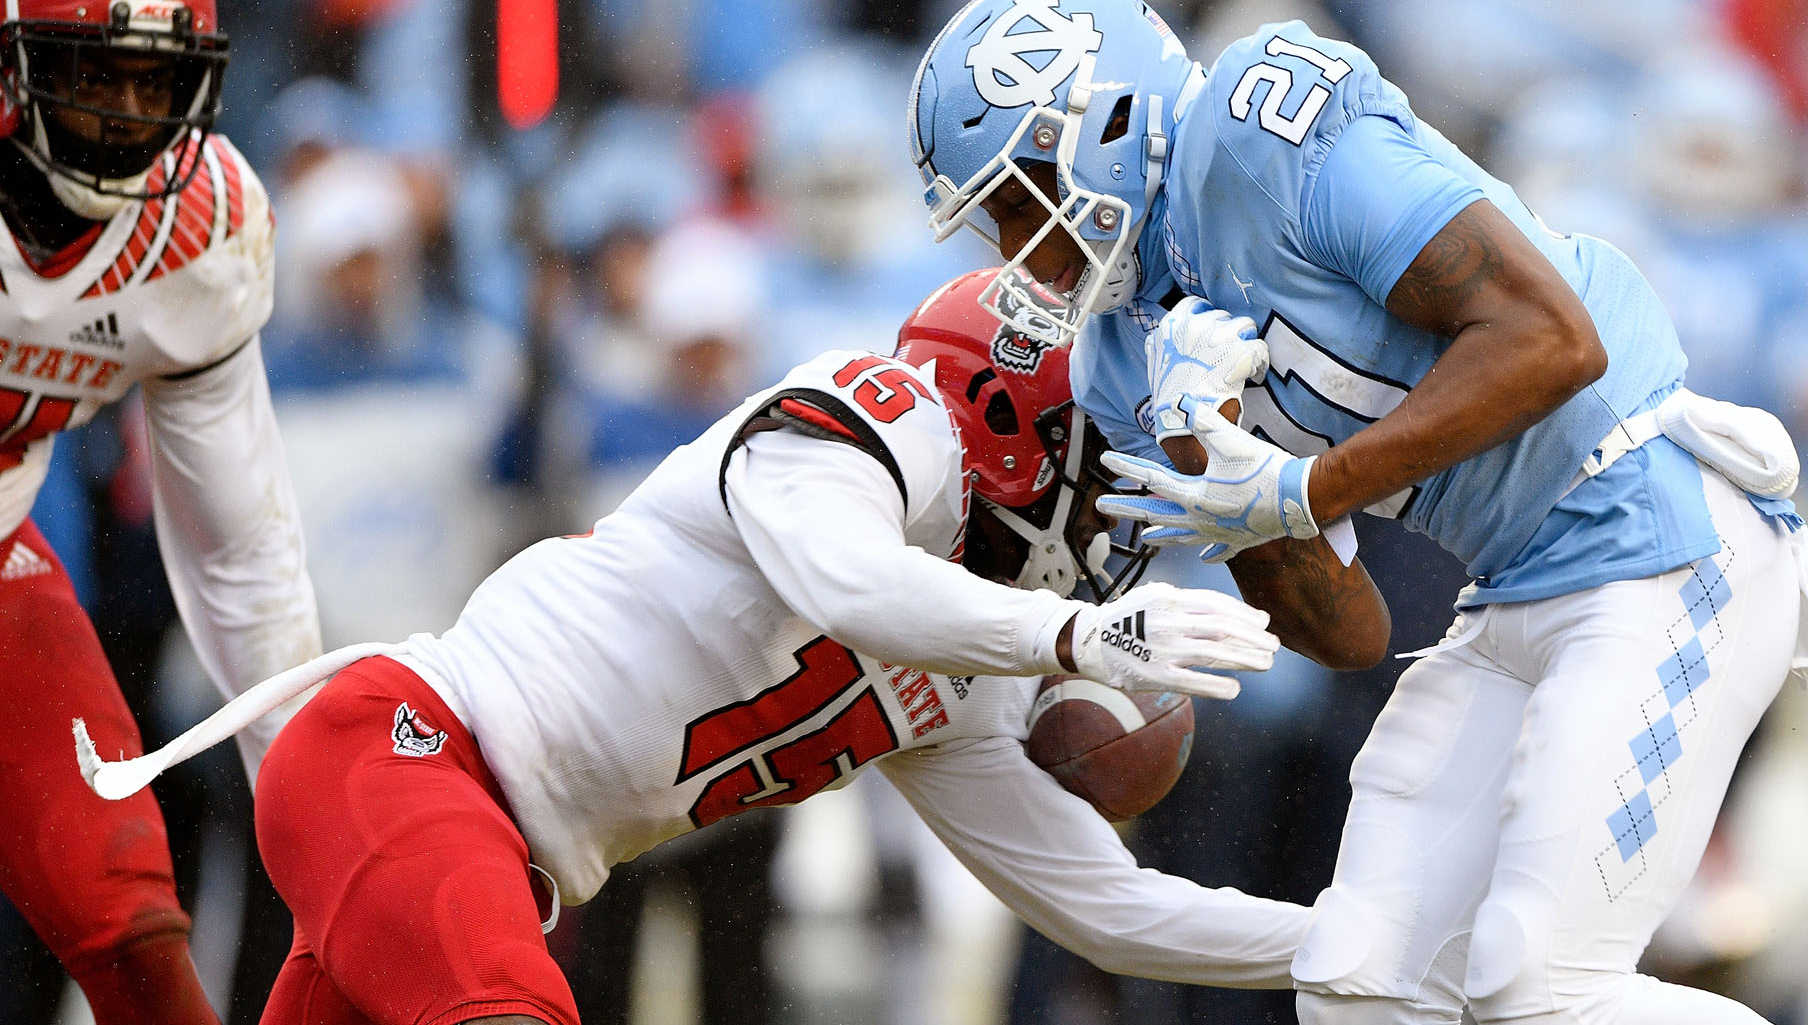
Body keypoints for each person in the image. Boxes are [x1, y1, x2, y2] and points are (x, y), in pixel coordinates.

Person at [908, 0, 1808, 1025]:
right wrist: (1206, 447)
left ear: (1100, 124)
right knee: (1360, 977)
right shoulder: (1118, 358)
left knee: (1538, 982)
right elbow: (1348, 631)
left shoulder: (1258, 124)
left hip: (1655, 526)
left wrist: (1303, 485)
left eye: (1017, 201)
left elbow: (1553, 340)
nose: (1015, 252)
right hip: (1506, 587)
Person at [76, 269, 1389, 1025]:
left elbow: (1105, 909)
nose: (1112, 512)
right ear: (1007, 415)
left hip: (495, 855)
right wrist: (1076, 632)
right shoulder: (859, 429)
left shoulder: (969, 675)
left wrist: (1353, 943)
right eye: (1099, 468)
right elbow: (854, 586)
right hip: (409, 756)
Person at [0, 0, 322, 1022]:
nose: (128, 115)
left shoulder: (198, 233)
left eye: (156, 81)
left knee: (128, 907)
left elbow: (241, 546)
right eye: (95, 76)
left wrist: (307, 777)